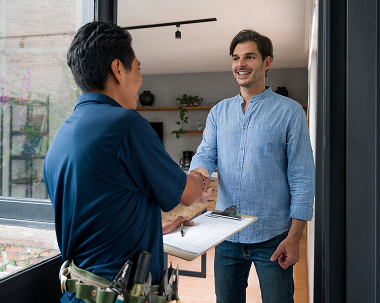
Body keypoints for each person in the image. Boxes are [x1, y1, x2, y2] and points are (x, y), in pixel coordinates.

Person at [43, 21, 211, 303]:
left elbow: (99, 214)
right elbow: (186, 193)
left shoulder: (61, 137)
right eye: (139, 68)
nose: (141, 79)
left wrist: (152, 227)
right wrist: (200, 177)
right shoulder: (126, 125)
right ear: (119, 69)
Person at [189, 29, 315, 303]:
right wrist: (199, 177)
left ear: (267, 62)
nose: (240, 64)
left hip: (273, 237)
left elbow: (303, 178)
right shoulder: (219, 112)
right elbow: (204, 155)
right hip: (226, 235)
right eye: (236, 58)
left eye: (249, 57)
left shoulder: (290, 112)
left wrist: (294, 237)